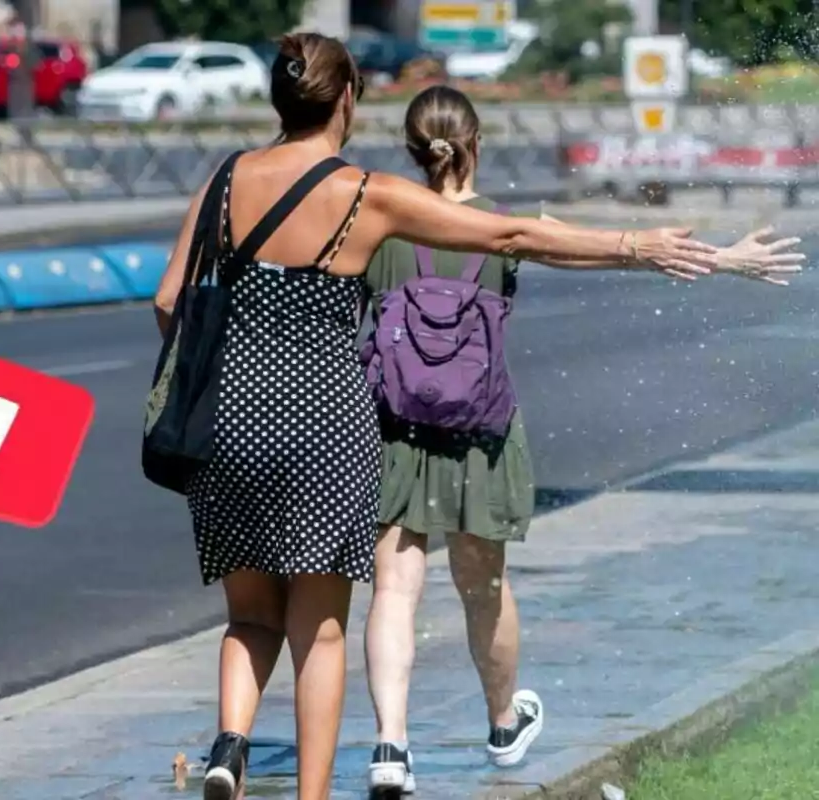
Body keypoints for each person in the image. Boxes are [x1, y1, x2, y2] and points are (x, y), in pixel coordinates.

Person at [151, 33, 768, 800]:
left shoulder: (222, 179)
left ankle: (228, 747)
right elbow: (510, 234)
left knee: (249, 618)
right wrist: (635, 243)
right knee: (322, 626)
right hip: (323, 429)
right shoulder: (362, 193)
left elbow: (169, 300)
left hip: (228, 428)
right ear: (346, 100)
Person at [361, 85, 803, 797]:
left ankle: (390, 745)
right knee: (484, 587)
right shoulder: (507, 228)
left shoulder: (377, 229)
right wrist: (725, 259)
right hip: (482, 434)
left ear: (414, 152)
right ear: (476, 145)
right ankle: (504, 722)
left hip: (397, 431)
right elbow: (602, 253)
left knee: (395, 585)